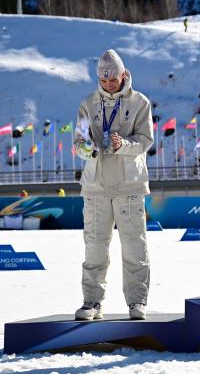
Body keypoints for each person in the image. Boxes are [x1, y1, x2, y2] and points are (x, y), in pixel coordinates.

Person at [73, 49, 154, 321]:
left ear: (123, 74)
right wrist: (87, 149)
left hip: (129, 185)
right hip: (96, 186)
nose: (109, 84)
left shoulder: (140, 103)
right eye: (104, 80)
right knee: (94, 247)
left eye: (113, 79)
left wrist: (123, 145)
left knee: (134, 247)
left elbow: (146, 141)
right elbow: (79, 141)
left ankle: (137, 302)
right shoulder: (87, 104)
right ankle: (91, 302)